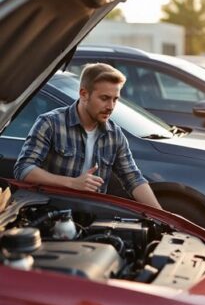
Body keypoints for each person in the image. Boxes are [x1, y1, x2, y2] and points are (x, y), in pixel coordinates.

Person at [14, 63, 162, 210]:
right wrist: (72, 183)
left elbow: (133, 179)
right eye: (104, 98)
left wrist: (164, 218)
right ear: (84, 94)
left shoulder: (114, 134)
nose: (111, 106)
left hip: (91, 220)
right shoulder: (50, 123)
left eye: (115, 99)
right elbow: (24, 169)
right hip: (50, 214)